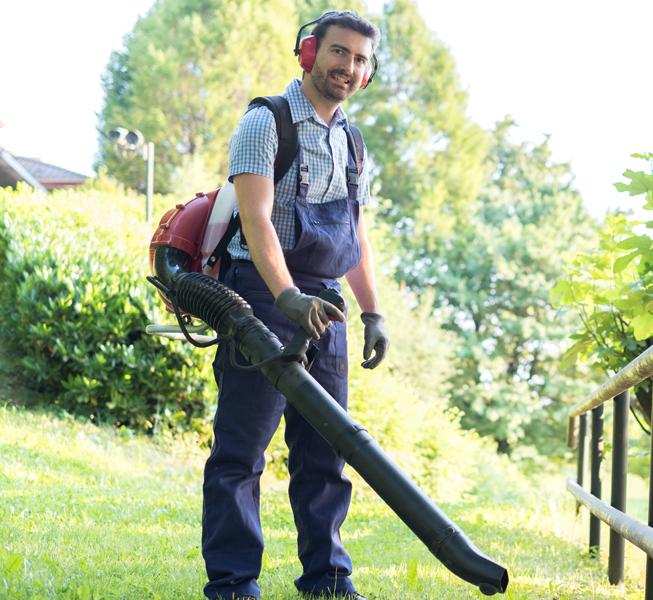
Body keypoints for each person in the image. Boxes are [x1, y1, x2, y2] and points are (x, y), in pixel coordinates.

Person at [201, 10, 388, 600]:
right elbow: (256, 220)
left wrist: (372, 312)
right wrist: (284, 297)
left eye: (360, 59)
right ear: (310, 53)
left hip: (325, 307)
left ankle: (328, 578)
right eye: (338, 52)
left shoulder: (352, 142)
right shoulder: (265, 122)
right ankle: (233, 584)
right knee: (241, 451)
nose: (348, 66)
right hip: (261, 295)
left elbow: (355, 236)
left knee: (325, 452)